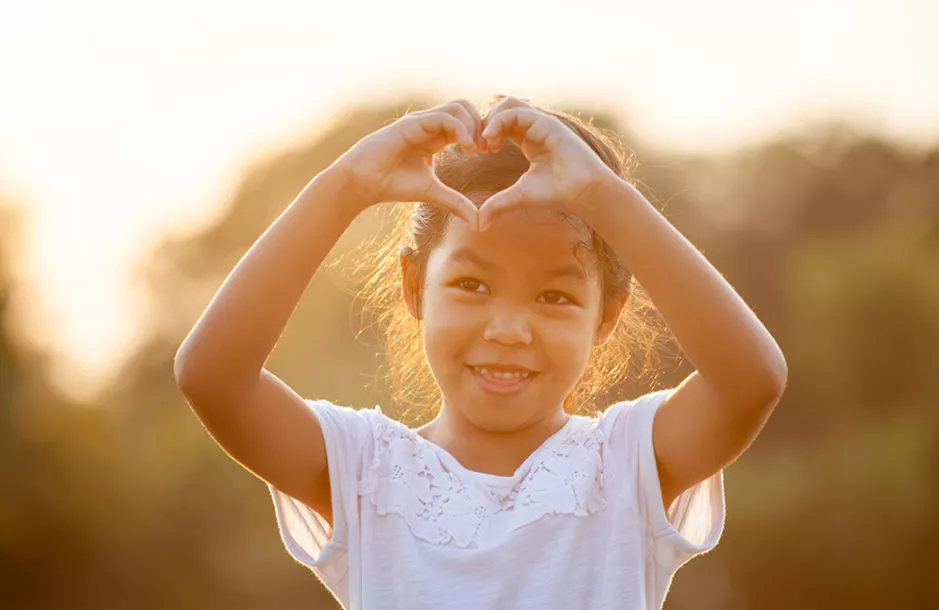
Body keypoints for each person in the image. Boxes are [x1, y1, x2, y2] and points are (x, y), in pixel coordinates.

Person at [174, 95, 788, 609]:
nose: (509, 329)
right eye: (472, 285)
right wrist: (347, 185)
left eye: (554, 296)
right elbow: (212, 377)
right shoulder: (365, 470)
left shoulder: (626, 464)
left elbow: (751, 380)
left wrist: (603, 197)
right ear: (415, 286)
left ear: (608, 314)